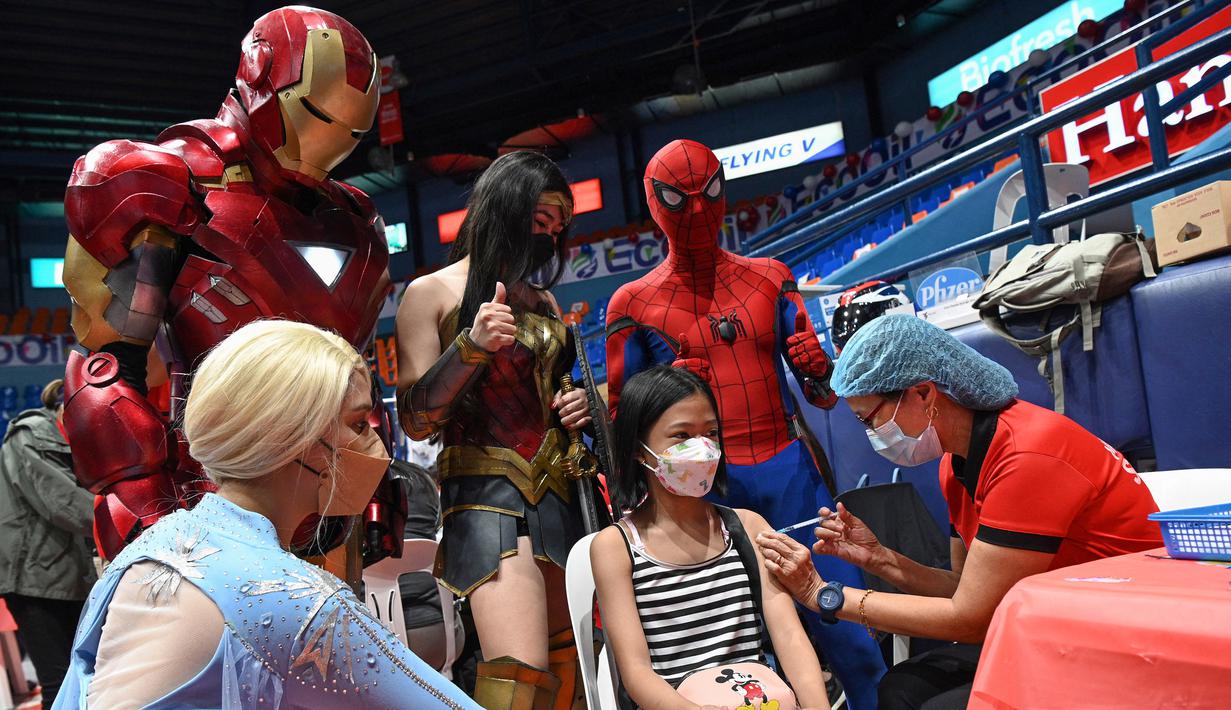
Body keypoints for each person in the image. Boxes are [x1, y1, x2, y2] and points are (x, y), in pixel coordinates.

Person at [60, 6, 403, 570]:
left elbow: (353, 377)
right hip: (205, 494)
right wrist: (144, 507)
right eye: (318, 113)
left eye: (354, 132)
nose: (333, 141)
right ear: (261, 78)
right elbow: (104, 370)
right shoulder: (168, 186)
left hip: (329, 497)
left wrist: (374, 483)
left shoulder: (353, 219)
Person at [54, 320, 477, 709]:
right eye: (358, 425)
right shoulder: (297, 601)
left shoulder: (149, 547)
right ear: (293, 439)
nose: (375, 447)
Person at [756, 314, 1164, 710]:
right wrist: (879, 559)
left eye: (871, 419)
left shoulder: (1028, 455)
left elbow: (972, 619)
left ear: (923, 393)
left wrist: (823, 595)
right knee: (900, 689)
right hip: (1054, 626)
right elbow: (962, 588)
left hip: (1122, 638)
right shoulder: (956, 463)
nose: (871, 435)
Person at [605, 139, 885, 709]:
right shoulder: (632, 304)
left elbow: (826, 397)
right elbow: (624, 422)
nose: (697, 210)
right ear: (655, 204)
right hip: (706, 492)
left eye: (707, 192)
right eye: (678, 199)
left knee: (844, 627)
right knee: (741, 657)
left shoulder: (770, 279)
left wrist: (816, 368)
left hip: (786, 473)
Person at [396, 150, 603, 709]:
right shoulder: (430, 293)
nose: (548, 239)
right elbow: (416, 416)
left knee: (581, 667)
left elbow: (549, 397)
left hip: (563, 496)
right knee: (519, 677)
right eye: (540, 222)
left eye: (557, 229)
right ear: (505, 209)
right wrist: (471, 346)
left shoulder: (545, 301)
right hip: (486, 503)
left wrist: (575, 404)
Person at [590, 366, 827, 710]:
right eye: (681, 436)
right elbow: (637, 673)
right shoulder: (616, 547)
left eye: (711, 433)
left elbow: (790, 636)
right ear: (639, 450)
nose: (701, 448)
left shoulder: (747, 526)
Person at [0, 379, 95, 708]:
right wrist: (130, 520)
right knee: (60, 683)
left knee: (80, 678)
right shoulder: (32, 433)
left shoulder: (65, 437)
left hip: (66, 576)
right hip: (33, 579)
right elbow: (64, 503)